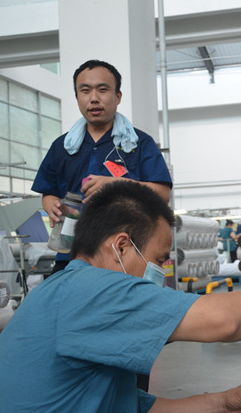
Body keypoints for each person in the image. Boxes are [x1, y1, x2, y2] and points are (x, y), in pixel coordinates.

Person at [0, 180, 241, 413]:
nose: (161, 272)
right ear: (121, 246)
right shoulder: (93, 290)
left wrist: (223, 405)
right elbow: (226, 322)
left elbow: (134, 410)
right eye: (159, 259)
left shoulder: (66, 289)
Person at [32, 59, 172, 275]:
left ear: (118, 96)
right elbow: (48, 192)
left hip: (126, 256)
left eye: (103, 90)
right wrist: (51, 205)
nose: (94, 98)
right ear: (77, 97)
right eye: (85, 91)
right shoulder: (62, 147)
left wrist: (116, 185)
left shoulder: (139, 143)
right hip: (73, 254)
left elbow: (162, 194)